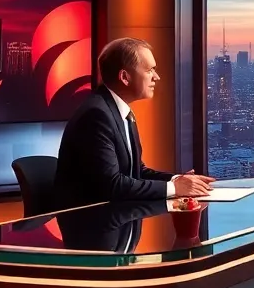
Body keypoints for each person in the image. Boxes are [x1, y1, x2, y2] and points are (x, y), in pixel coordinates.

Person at [54, 38, 215, 208]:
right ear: (125, 77)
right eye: (150, 70)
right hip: (92, 221)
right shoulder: (96, 116)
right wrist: (175, 188)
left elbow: (136, 172)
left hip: (118, 217)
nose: (156, 77)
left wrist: (177, 180)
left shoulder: (119, 111)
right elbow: (112, 185)